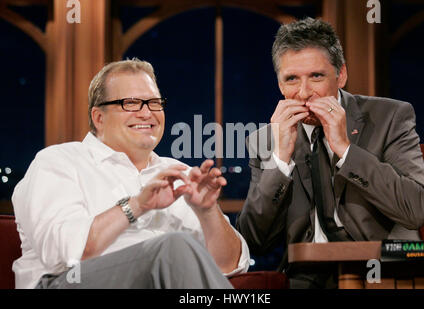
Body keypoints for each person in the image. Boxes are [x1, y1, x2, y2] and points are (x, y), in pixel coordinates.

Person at [12, 59, 250, 289]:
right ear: (99, 117)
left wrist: (207, 212)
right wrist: (137, 205)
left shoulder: (181, 175)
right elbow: (66, 253)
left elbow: (229, 266)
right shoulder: (58, 162)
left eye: (154, 103)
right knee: (173, 249)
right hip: (66, 282)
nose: (147, 113)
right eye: (131, 103)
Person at [236, 17, 424, 288]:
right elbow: (255, 241)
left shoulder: (389, 117)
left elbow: (416, 210)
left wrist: (345, 149)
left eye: (316, 76)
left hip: (382, 269)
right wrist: (279, 160)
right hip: (305, 277)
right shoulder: (263, 142)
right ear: (280, 86)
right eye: (292, 79)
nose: (304, 93)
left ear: (341, 75)